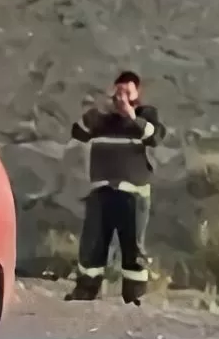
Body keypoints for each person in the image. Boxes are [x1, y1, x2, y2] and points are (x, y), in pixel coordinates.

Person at [68, 71, 165, 303]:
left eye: (127, 91)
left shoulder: (145, 115)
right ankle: (85, 291)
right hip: (102, 191)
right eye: (118, 91)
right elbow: (78, 132)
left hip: (134, 194)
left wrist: (130, 115)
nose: (122, 96)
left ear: (137, 94)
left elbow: (155, 137)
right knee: (93, 244)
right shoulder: (100, 119)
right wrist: (97, 110)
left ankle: (134, 297)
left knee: (133, 248)